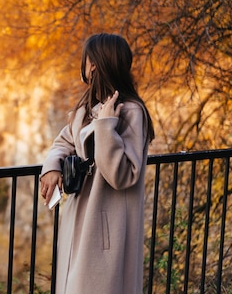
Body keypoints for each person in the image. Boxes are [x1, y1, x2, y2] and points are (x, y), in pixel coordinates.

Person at [39, 33, 155, 294]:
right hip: (80, 221)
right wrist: (52, 167)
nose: (85, 65)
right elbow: (63, 141)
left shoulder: (131, 112)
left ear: (95, 64)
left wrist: (105, 126)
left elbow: (122, 174)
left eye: (88, 59)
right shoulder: (87, 108)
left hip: (106, 232)